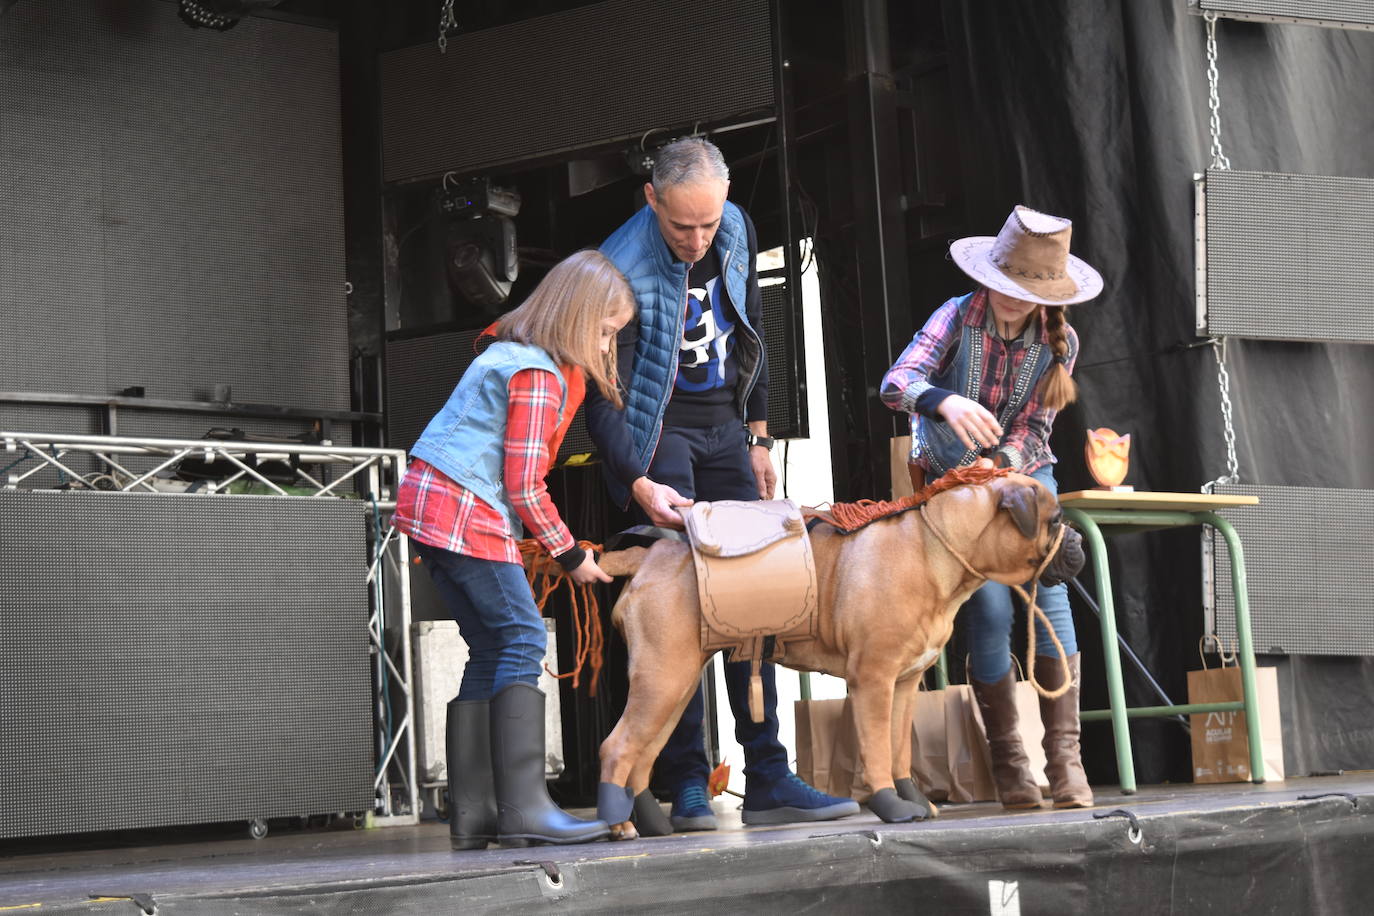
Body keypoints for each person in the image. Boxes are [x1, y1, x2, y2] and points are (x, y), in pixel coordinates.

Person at [585, 137, 859, 832]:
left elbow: (753, 328)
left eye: (709, 223)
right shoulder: (617, 265)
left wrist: (761, 435)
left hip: (724, 431)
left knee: (756, 595)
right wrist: (638, 480)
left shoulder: (734, 227)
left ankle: (767, 773)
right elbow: (600, 397)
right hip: (658, 434)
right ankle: (686, 783)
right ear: (651, 199)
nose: (699, 238)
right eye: (683, 226)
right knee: (687, 606)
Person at [392, 250, 634, 849]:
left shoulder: (508, 355)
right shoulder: (537, 373)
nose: (607, 349)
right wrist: (571, 554)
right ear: (577, 317)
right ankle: (525, 810)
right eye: (605, 332)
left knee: (490, 646)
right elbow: (524, 484)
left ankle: (475, 816)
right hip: (462, 511)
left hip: (430, 508)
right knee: (524, 638)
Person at [880, 204, 1101, 809]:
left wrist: (1003, 466)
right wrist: (943, 401)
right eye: (1003, 284)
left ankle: (1066, 762)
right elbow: (895, 381)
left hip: (1027, 479)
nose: (1009, 298)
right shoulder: (955, 317)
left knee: (1052, 601)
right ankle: (1010, 764)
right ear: (988, 276)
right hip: (956, 492)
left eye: (1024, 290)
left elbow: (1037, 427)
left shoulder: (1062, 341)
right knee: (991, 610)